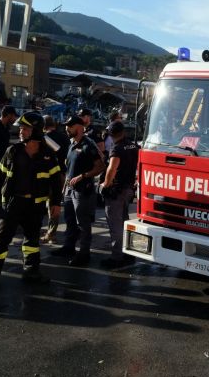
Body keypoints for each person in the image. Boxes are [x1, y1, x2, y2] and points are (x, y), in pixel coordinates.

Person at [0, 112, 63, 291]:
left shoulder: (48, 154)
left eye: (25, 128)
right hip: (13, 204)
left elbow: (57, 181)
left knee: (32, 240)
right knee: (1, 240)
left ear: (36, 131)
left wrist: (56, 203)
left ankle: (31, 271)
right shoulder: (13, 151)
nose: (20, 131)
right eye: (20, 128)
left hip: (35, 206)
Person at [53, 114, 105, 266]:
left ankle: (84, 254)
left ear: (80, 127)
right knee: (70, 221)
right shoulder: (71, 144)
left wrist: (83, 176)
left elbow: (101, 166)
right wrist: (65, 187)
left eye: (70, 125)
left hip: (83, 190)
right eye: (66, 126)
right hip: (70, 189)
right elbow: (69, 167)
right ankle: (69, 247)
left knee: (83, 223)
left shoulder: (88, 144)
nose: (67, 128)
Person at [100, 120, 139, 269]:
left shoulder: (116, 148)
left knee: (115, 224)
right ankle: (128, 253)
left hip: (117, 190)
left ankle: (117, 257)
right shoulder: (134, 146)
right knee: (124, 222)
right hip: (129, 189)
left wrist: (106, 184)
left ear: (111, 134)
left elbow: (112, 168)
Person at [41, 115, 70, 244]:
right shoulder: (64, 136)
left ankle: (36, 230)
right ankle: (51, 232)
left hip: (45, 174)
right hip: (61, 173)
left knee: (39, 201)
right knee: (55, 203)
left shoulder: (44, 138)